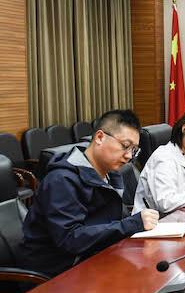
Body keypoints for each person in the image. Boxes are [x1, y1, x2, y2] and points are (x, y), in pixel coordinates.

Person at [19, 110, 159, 278]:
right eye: (125, 146)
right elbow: (70, 239)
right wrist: (131, 224)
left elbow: (110, 222)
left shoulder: (111, 174)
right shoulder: (61, 180)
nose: (129, 156)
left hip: (95, 258)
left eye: (134, 150)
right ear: (99, 137)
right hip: (57, 273)